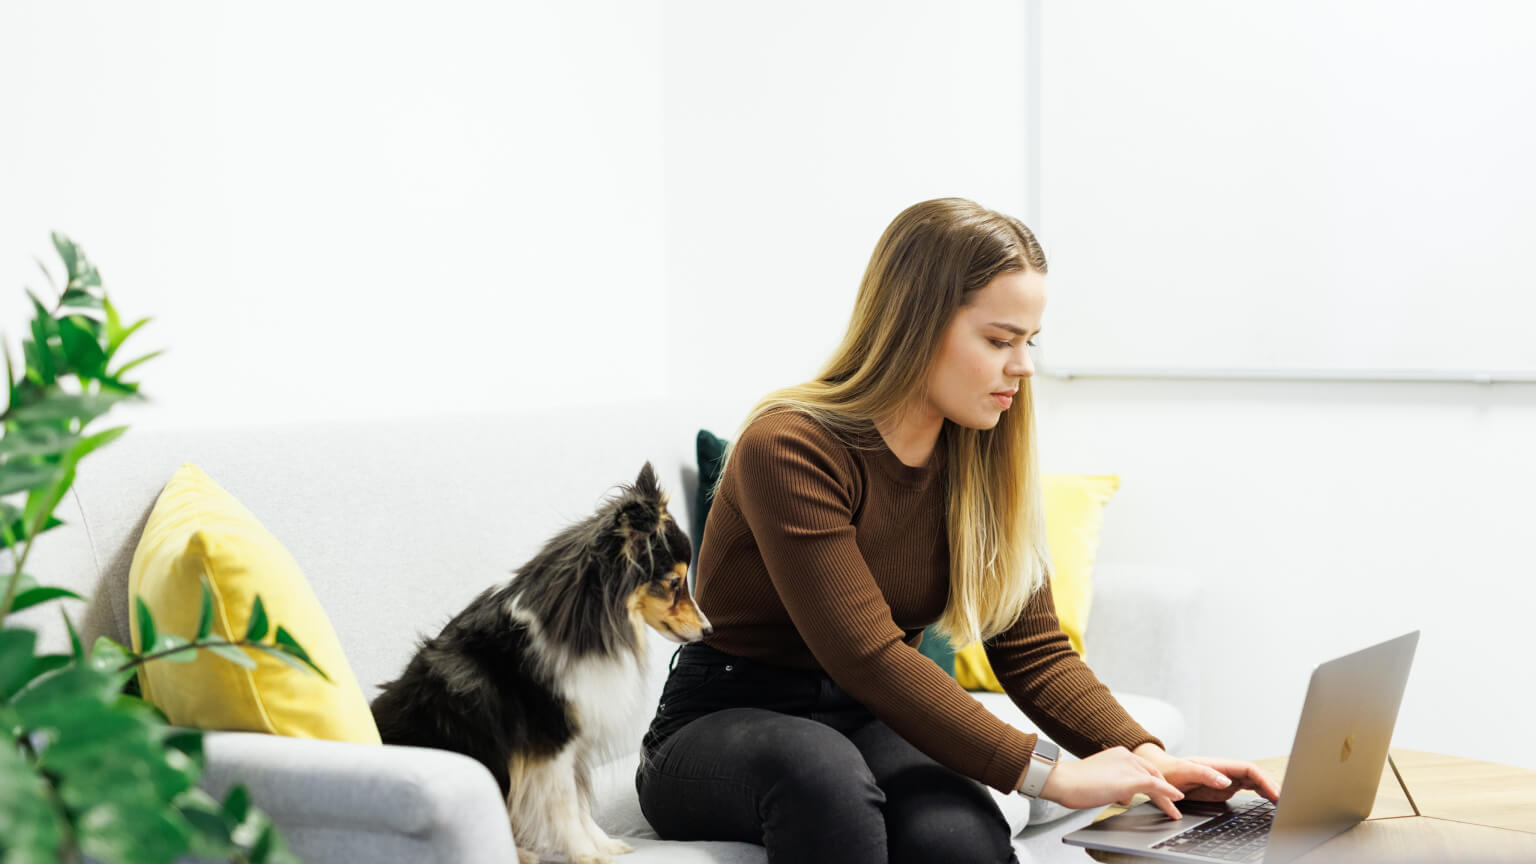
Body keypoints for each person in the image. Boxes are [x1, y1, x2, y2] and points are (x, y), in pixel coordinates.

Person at [635, 197, 1280, 863]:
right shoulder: (790, 445)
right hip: (721, 721)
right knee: (821, 774)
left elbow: (1033, 651)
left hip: (868, 719)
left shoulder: (982, 457)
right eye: (1000, 341)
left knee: (959, 834)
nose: (1022, 367)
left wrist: (1145, 757)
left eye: (1030, 342)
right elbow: (867, 654)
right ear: (914, 326)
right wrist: (1049, 773)